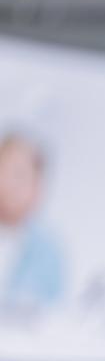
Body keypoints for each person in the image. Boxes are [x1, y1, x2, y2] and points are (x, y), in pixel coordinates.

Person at [0, 131, 63, 314]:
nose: (11, 184)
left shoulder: (49, 252)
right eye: (4, 171)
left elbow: (53, 318)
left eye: (20, 175)